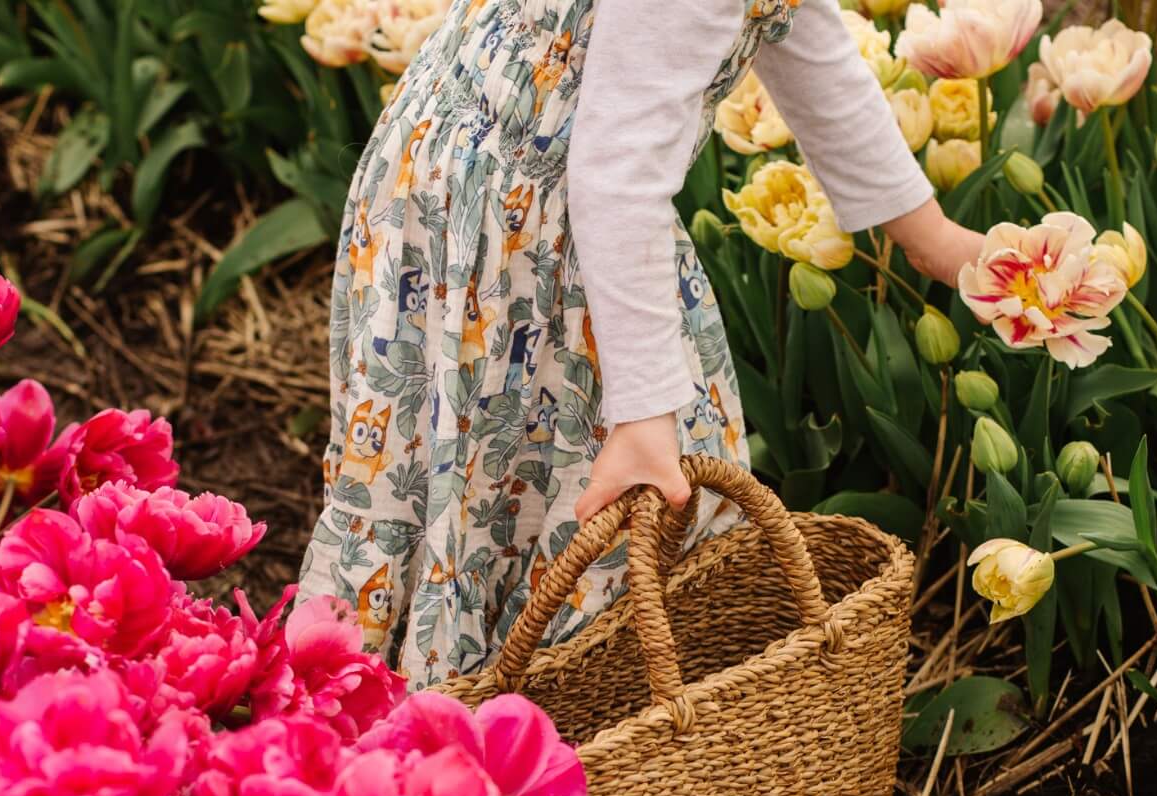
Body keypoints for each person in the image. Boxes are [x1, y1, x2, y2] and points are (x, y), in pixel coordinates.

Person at [296, 0, 983, 685]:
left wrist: (934, 242)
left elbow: (815, 55)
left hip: (512, 187)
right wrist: (646, 413)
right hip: (511, 226)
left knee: (543, 474)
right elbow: (619, 172)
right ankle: (495, 716)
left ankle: (518, 705)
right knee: (554, 482)